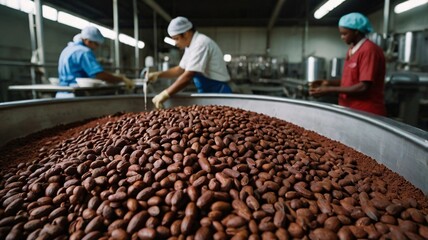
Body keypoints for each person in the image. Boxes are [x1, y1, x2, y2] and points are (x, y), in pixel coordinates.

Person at [309, 12, 386, 116]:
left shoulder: (369, 50)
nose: (342, 37)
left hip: (366, 112)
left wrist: (329, 90)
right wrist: (328, 83)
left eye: (345, 34)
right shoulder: (352, 50)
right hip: (350, 108)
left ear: (356, 32)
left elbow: (363, 86)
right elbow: (350, 82)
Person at [148, 16, 232, 109]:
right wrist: (159, 74)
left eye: (176, 38)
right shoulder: (190, 46)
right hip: (207, 91)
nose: (175, 43)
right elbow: (180, 69)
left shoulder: (201, 43)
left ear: (186, 33)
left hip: (218, 91)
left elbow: (189, 75)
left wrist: (165, 94)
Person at [57, 26, 134, 95]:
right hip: (76, 94)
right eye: (96, 44)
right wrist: (120, 79)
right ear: (88, 41)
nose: (96, 48)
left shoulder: (68, 49)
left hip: (62, 93)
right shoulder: (84, 52)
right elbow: (98, 74)